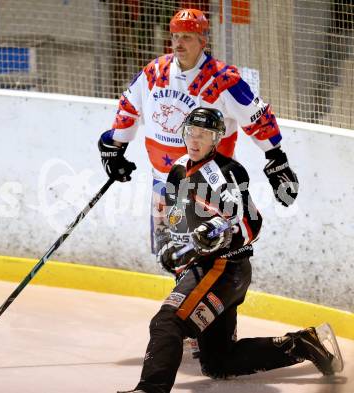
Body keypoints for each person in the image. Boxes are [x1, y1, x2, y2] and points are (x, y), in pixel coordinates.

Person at [116, 107, 343, 393]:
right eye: (191, 133)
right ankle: (304, 344)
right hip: (209, 270)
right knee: (218, 362)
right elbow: (177, 221)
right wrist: (170, 248)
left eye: (204, 135)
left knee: (168, 322)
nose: (195, 140)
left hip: (223, 269)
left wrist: (217, 233)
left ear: (216, 139)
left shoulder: (228, 173)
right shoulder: (177, 170)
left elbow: (252, 225)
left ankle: (150, 389)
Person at [98, 8, 299, 254]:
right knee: (170, 256)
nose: (178, 43)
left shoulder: (223, 79)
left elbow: (258, 118)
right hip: (165, 183)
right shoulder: (154, 72)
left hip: (212, 185)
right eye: (175, 36)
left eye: (187, 37)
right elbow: (128, 106)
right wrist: (116, 147)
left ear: (203, 40)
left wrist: (276, 157)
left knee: (222, 250)